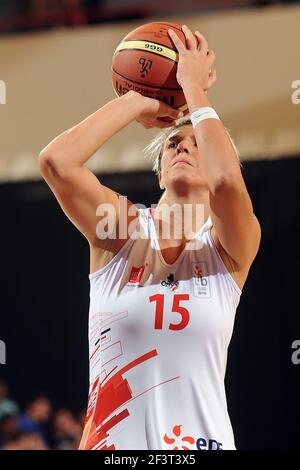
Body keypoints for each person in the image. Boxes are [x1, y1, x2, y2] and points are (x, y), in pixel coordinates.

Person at [39, 25, 261, 450]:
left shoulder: (229, 246)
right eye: (173, 142)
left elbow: (228, 184)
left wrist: (193, 91)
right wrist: (138, 101)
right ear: (158, 170)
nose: (183, 147)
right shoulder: (121, 231)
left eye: (198, 143)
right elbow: (56, 162)